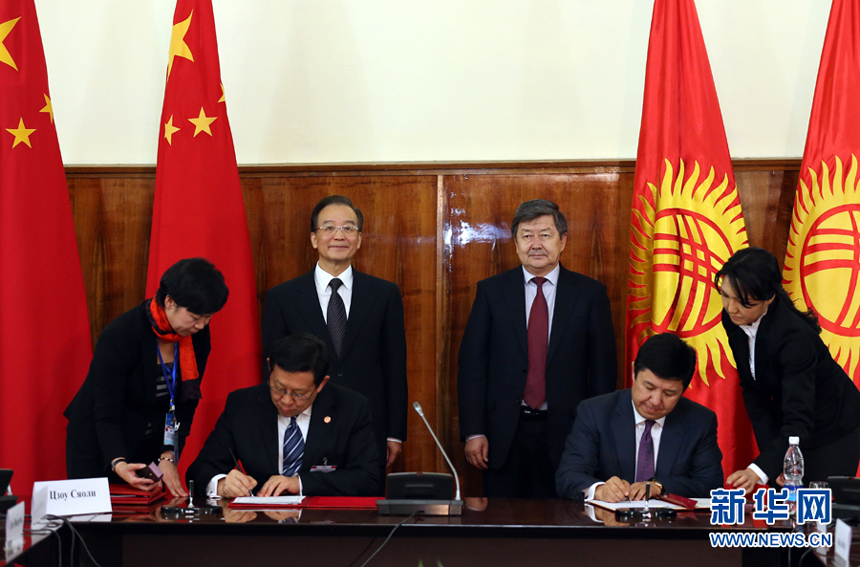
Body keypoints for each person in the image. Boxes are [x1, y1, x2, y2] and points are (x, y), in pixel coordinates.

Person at [457, 199, 617, 498]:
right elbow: (472, 367)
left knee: (565, 528)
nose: (536, 244)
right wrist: (474, 431)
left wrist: (597, 437)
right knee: (502, 529)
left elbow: (602, 373)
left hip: (570, 433)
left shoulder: (590, 294)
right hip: (503, 434)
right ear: (515, 242)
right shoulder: (491, 292)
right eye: (527, 235)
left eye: (545, 234)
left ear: (562, 240)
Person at [262, 195, 407, 490]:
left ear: (359, 239)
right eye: (329, 228)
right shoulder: (283, 297)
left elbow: (395, 367)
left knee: (362, 514)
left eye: (348, 228)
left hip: (365, 427)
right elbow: (271, 370)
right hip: (302, 424)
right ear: (314, 239)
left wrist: (394, 433)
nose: (339, 235)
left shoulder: (384, 294)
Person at [65, 258, 228, 497]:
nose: (202, 326)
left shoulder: (196, 336)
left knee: (146, 518)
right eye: (195, 317)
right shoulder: (121, 335)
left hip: (148, 441)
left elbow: (184, 403)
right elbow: (106, 412)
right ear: (170, 302)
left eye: (209, 318)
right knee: (98, 525)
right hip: (100, 442)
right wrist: (118, 463)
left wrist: (167, 456)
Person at [718, 247, 860, 491]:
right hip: (793, 429)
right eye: (725, 295)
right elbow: (754, 392)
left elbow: (799, 414)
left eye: (745, 302)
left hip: (833, 430)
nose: (731, 308)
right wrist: (773, 464)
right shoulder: (734, 319)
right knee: (785, 509)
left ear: (769, 298)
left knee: (816, 514)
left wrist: (759, 470)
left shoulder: (795, 338)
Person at [186, 332, 379, 497]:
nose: (286, 401)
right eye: (278, 388)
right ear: (270, 368)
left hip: (325, 523)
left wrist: (299, 483)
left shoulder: (351, 407)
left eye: (299, 394)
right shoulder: (243, 405)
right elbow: (199, 470)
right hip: (260, 524)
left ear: (321, 384)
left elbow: (367, 479)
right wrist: (222, 483)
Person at [555, 333, 723, 502]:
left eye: (669, 393)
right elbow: (568, 475)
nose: (656, 401)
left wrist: (660, 486)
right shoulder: (595, 412)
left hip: (670, 526)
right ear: (634, 371)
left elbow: (710, 485)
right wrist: (600, 490)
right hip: (608, 525)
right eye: (649, 387)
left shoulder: (700, 421)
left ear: (683, 390)